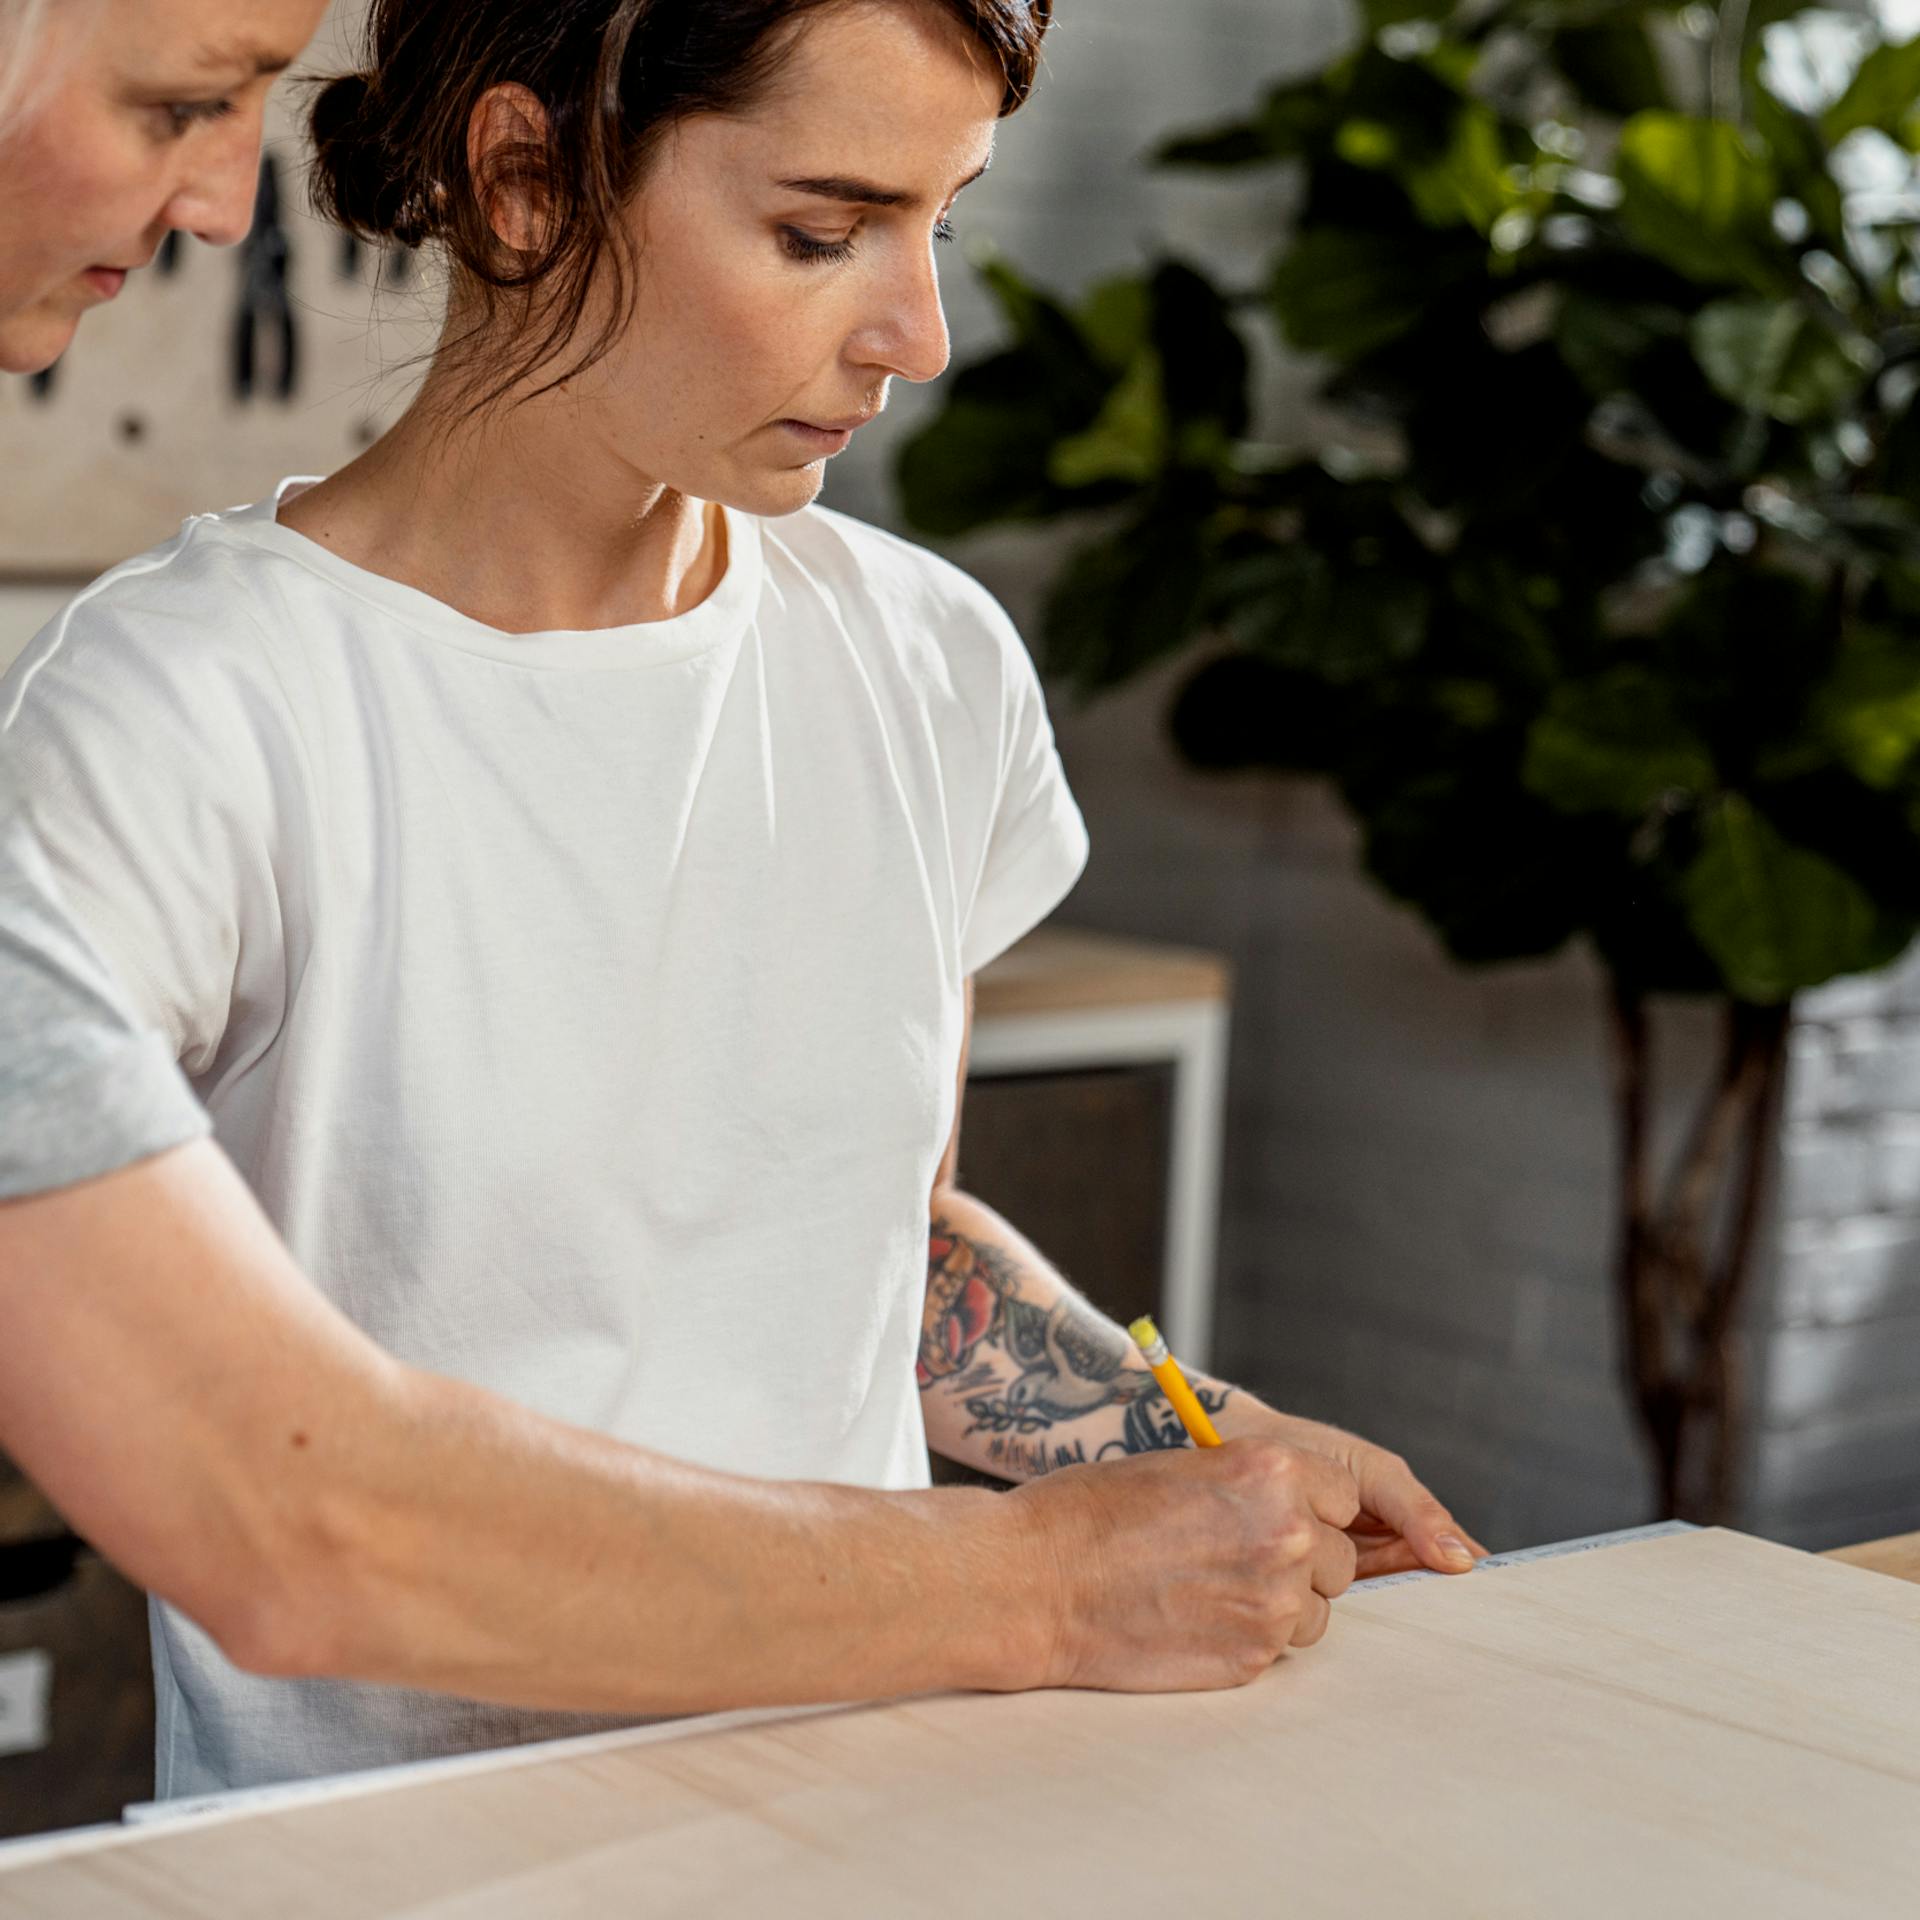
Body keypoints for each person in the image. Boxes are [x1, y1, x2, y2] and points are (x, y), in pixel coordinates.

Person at [0, 0, 1488, 1804]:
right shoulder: (184, 708)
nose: (919, 335)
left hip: (854, 1813)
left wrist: (1196, 1446)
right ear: (529, 182)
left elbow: (878, 1237)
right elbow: (266, 1488)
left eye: (939, 224)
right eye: (819, 232)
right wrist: (1055, 1584)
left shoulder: (927, 659)